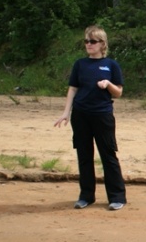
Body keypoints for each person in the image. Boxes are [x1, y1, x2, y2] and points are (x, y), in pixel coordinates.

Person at [54, 25, 127, 210]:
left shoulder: (111, 65)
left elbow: (118, 92)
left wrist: (108, 84)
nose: (88, 44)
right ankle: (86, 196)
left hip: (102, 115)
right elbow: (73, 89)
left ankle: (117, 197)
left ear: (102, 44)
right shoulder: (80, 64)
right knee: (84, 155)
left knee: (108, 155)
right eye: (86, 41)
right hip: (81, 115)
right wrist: (66, 113)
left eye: (92, 41)